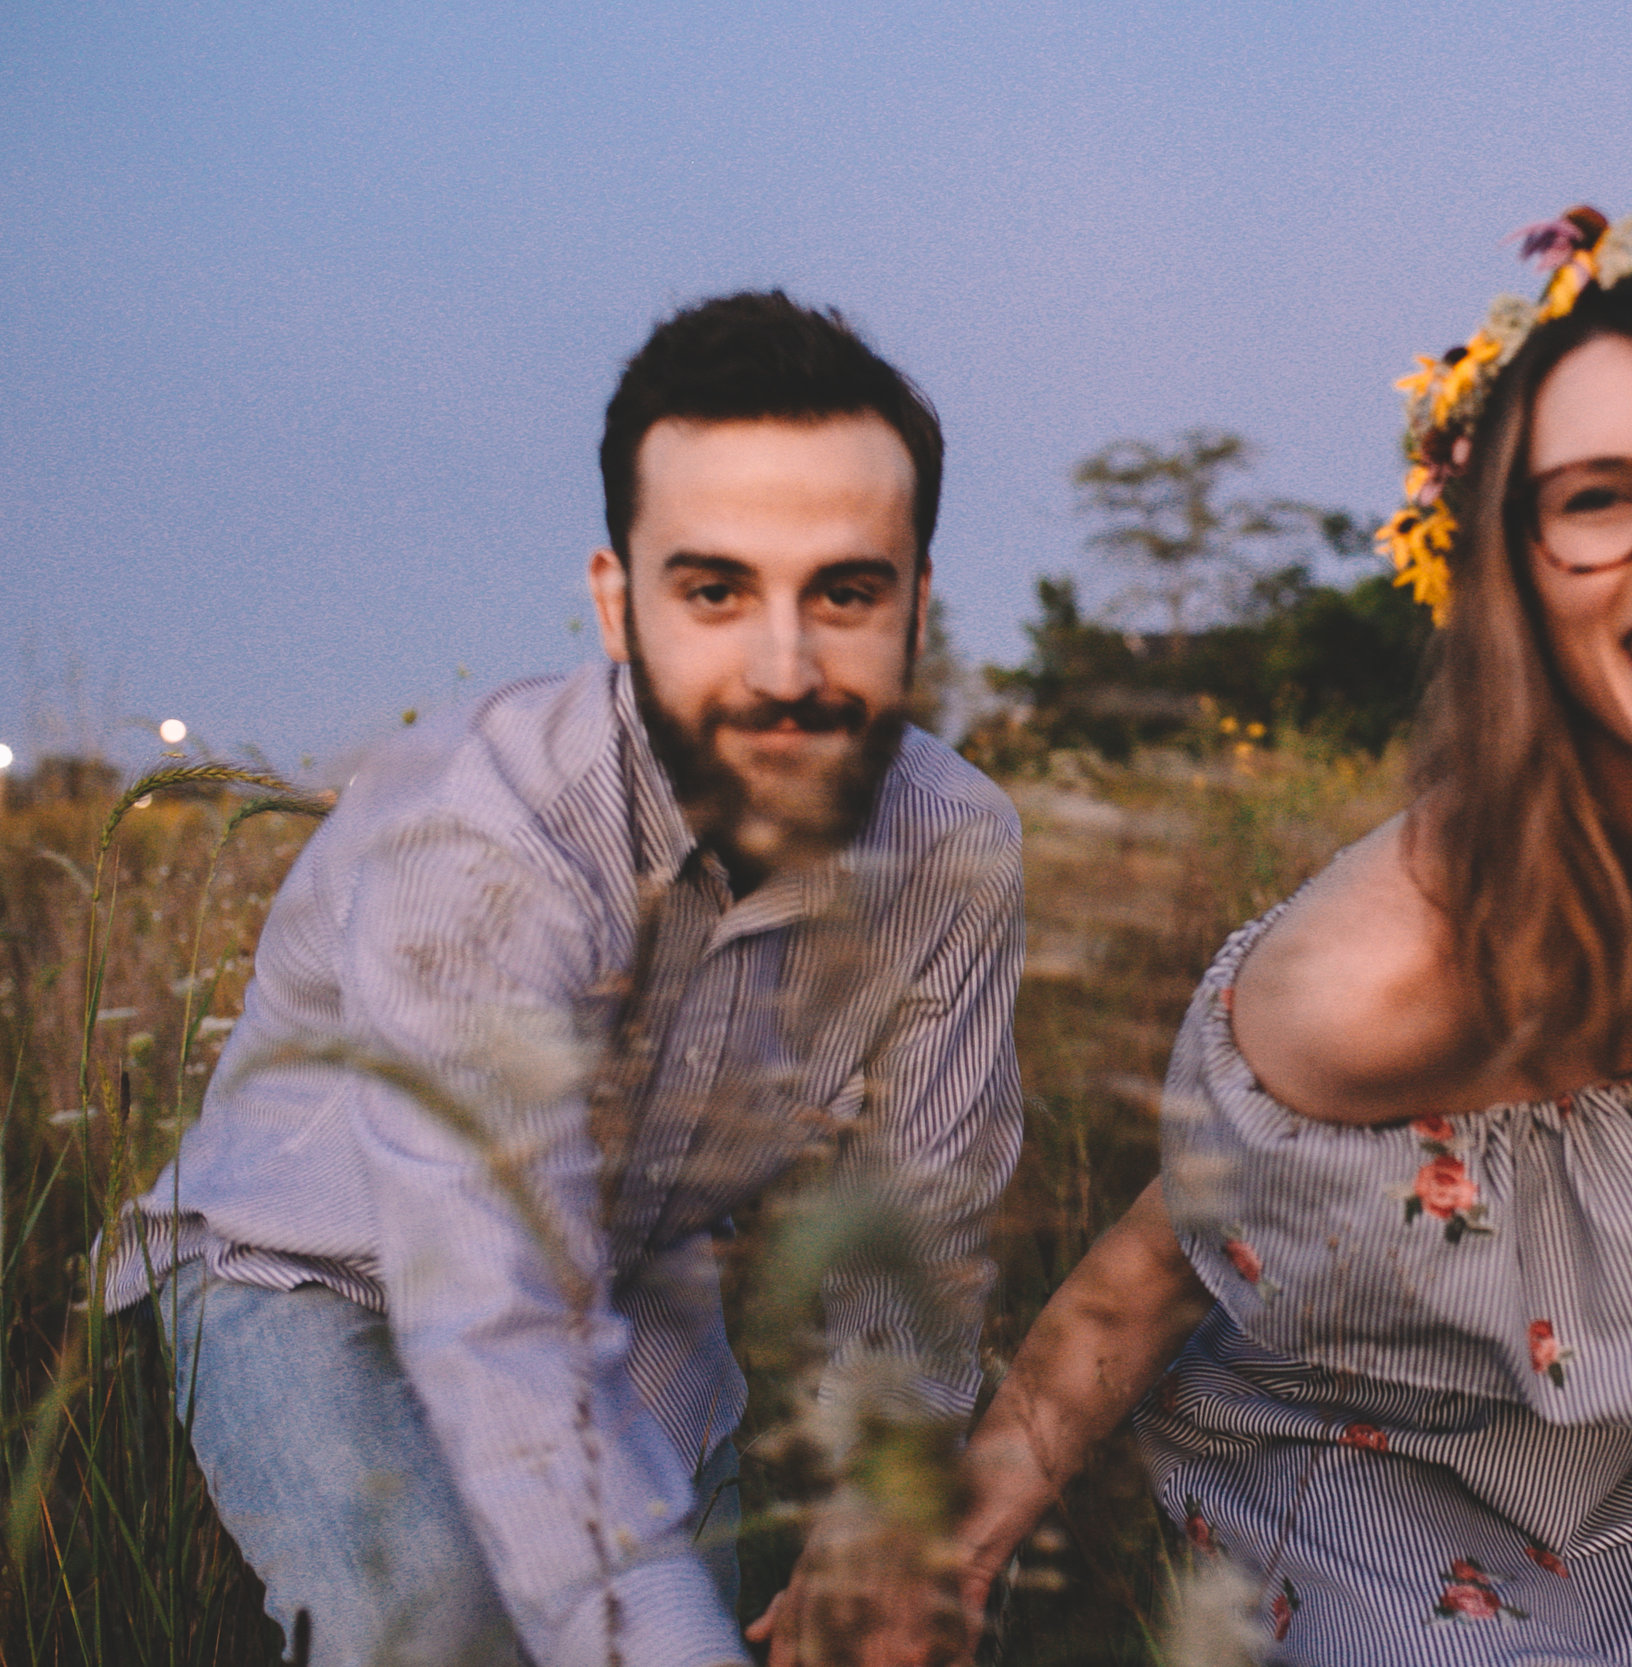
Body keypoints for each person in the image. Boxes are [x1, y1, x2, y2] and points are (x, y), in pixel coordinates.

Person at [934, 201, 1632, 1667]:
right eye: (1599, 496)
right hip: (1381, 1510)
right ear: (1515, 588)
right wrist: (954, 1551)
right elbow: (1162, 1258)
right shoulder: (1380, 977)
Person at [98, 292, 1026, 1667]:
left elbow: (920, 1222)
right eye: (714, 590)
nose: (785, 670)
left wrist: (885, 1508)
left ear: (915, 606)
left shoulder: (955, 848)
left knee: (722, 1599)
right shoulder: (479, 836)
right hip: (310, 1272)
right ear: (617, 601)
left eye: (844, 591)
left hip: (633, 1277)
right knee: (443, 1624)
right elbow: (499, 1323)